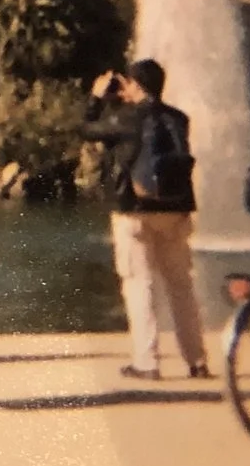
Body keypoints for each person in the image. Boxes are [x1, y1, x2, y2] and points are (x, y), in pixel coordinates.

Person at [80, 59, 208, 380]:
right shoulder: (178, 118)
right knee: (181, 286)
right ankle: (196, 360)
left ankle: (147, 362)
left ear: (136, 85)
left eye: (127, 82)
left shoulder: (125, 118)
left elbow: (86, 129)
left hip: (134, 209)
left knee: (139, 284)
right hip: (175, 210)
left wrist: (97, 97)